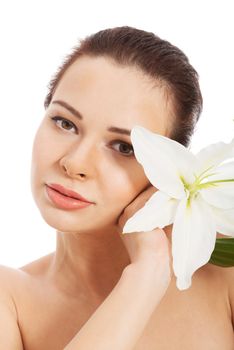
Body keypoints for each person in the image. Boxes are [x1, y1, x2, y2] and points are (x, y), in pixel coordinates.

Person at [0, 26, 233, 350]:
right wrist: (147, 273)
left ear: (168, 169)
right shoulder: (9, 300)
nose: (75, 163)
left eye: (124, 147)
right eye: (65, 122)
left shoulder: (224, 273)